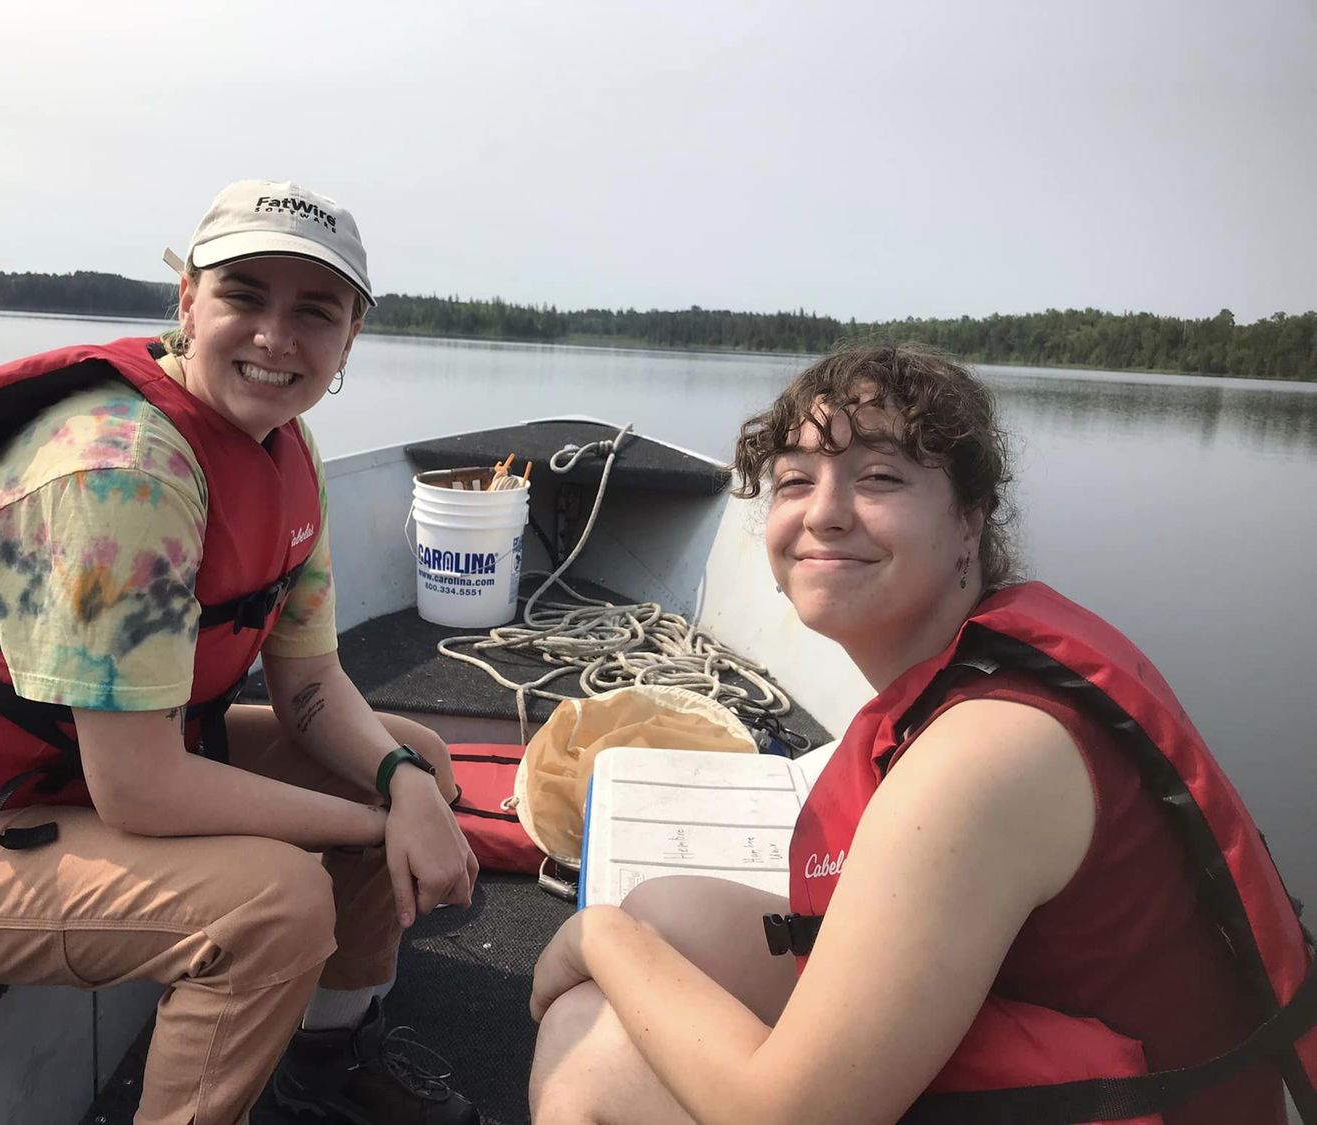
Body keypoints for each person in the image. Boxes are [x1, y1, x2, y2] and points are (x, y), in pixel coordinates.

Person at [0, 179, 480, 1125]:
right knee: (277, 903)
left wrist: (403, 782)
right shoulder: (118, 470)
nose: (276, 337)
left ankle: (325, 1065)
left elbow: (312, 686)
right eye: (244, 294)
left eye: (315, 311)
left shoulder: (286, 448)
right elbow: (139, 788)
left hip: (67, 774)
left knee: (412, 755)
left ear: (350, 339)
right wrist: (381, 826)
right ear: (187, 302)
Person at [528, 343, 1314, 1124]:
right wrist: (631, 938)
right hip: (1069, 1068)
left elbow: (786, 1115)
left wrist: (597, 936)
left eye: (879, 477)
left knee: (586, 1044)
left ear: (970, 519)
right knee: (667, 917)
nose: (824, 512)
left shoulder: (988, 750)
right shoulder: (971, 673)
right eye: (795, 480)